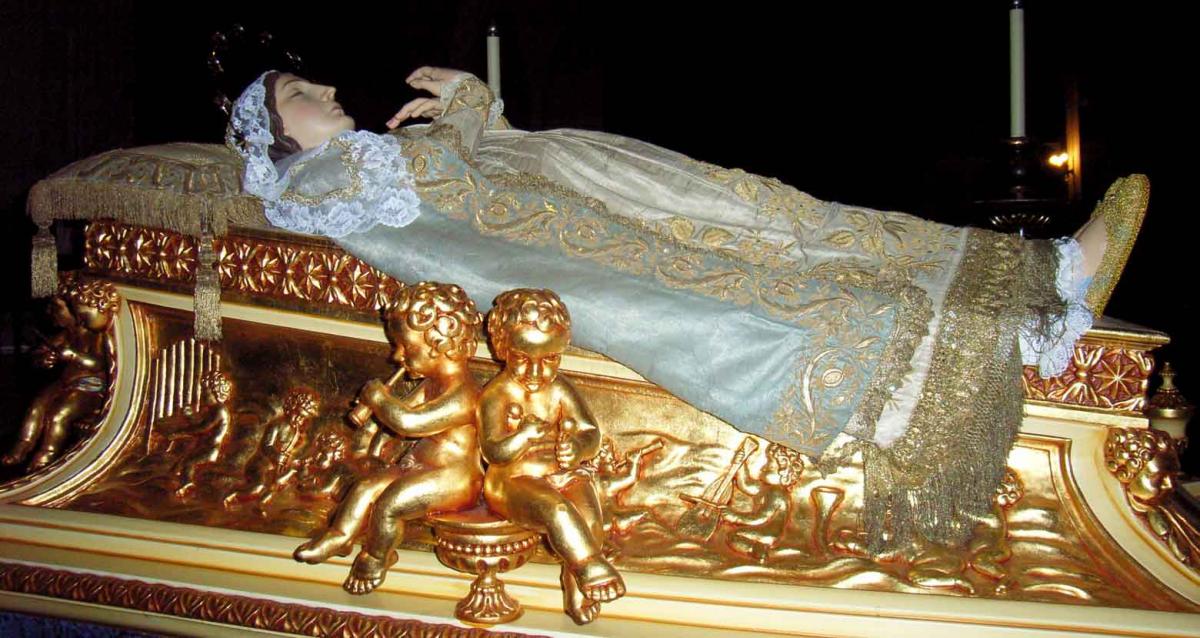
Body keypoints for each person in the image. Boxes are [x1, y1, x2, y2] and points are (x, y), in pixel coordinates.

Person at [224, 66, 1149, 550]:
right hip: (579, 267)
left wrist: (484, 123)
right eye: (301, 95)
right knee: (786, 270)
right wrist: (469, 103)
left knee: (783, 224)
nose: (330, 92)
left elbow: (447, 179)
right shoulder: (317, 178)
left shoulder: (337, 174)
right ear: (273, 136)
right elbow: (438, 167)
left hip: (584, 233)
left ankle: (1039, 283)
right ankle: (1026, 322)